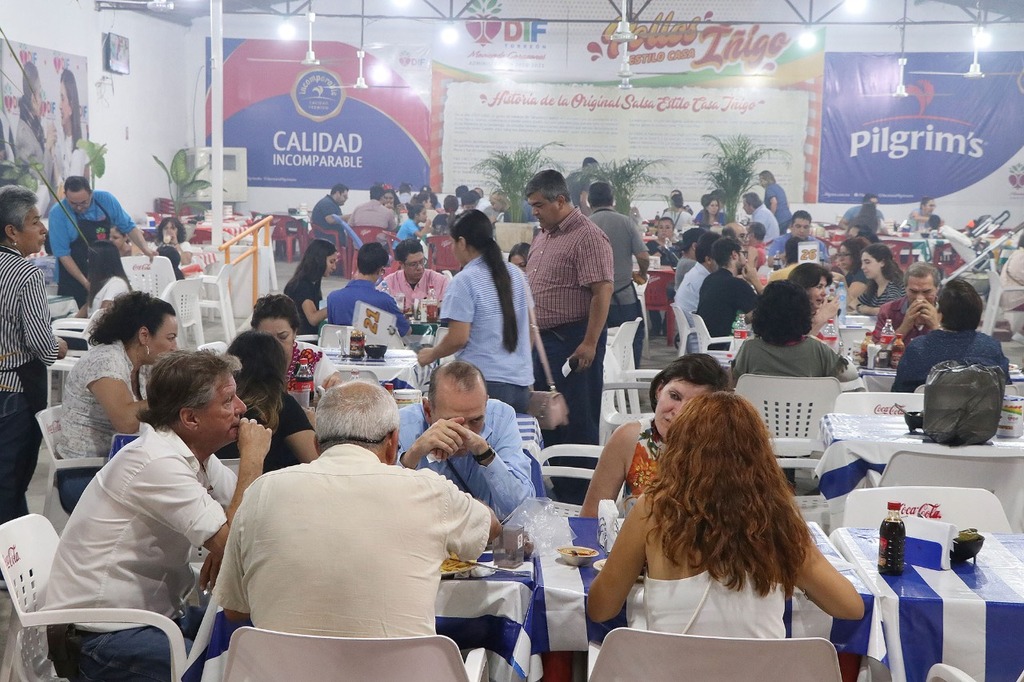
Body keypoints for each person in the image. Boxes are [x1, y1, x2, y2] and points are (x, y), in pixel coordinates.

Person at [43, 351, 272, 682]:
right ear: (190, 418)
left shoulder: (194, 455)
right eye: (228, 400)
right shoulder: (156, 462)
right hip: (102, 635)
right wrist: (252, 460)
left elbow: (250, 525)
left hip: (152, 617)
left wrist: (222, 547)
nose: (241, 407)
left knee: (254, 637)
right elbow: (235, 542)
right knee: (230, 671)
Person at [214, 380, 498, 636]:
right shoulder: (430, 491)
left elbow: (235, 611)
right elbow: (491, 527)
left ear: (316, 444)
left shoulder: (261, 492)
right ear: (393, 443)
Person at [586, 392, 865, 632]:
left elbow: (600, 609)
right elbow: (850, 607)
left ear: (680, 449)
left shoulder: (653, 509)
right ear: (760, 453)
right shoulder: (777, 517)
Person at [56, 292, 177, 507]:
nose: (174, 346)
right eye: (170, 338)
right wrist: (176, 393)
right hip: (85, 473)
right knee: (171, 499)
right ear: (144, 336)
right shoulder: (106, 360)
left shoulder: (142, 365)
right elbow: (127, 422)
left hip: (120, 464)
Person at [525, 169, 614, 447]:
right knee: (546, 415)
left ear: (560, 201)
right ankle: (554, 479)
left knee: (576, 417)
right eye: (532, 206)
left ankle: (578, 488)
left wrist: (589, 342)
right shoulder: (543, 237)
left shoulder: (587, 236)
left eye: (539, 205)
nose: (535, 212)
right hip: (542, 342)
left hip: (573, 341)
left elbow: (602, 291)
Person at [580, 355, 729, 518]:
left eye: (694, 406)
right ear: (659, 390)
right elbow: (591, 517)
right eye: (674, 396)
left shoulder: (720, 450)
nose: (678, 413)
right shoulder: (629, 439)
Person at [417, 212, 534, 413]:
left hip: (482, 385)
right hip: (521, 385)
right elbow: (531, 327)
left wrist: (431, 354)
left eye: (453, 243)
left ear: (462, 242)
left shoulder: (465, 280)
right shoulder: (516, 274)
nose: (453, 250)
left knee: (477, 443)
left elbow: (458, 338)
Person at [0, 186, 67, 526]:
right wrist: (61, 346)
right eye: (35, 221)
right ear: (12, 232)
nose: (43, 229)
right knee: (9, 482)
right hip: (13, 392)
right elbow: (44, 347)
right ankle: (11, 563)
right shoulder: (25, 274)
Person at [398, 361, 534, 518]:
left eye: (476, 420)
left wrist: (485, 453)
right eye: (453, 422)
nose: (465, 433)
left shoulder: (501, 417)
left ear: (485, 404)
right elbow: (385, 504)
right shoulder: (403, 424)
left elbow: (523, 507)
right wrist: (413, 454)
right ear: (428, 410)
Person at [216, 331, 317, 472]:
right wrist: (313, 426)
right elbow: (317, 462)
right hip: (266, 487)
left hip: (216, 488)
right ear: (279, 365)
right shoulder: (280, 405)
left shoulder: (218, 404)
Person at [48, 176, 155, 308]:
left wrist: (145, 249)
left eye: (83, 202)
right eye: (73, 204)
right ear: (65, 196)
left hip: (105, 274)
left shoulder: (105, 200)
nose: (79, 207)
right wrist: (86, 283)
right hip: (74, 278)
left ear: (91, 194)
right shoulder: (58, 213)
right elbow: (63, 254)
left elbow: (128, 226)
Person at [893, 279, 1008, 393]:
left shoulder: (918, 348)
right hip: (982, 411)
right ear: (978, 313)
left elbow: (899, 395)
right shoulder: (991, 347)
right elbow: (1006, 390)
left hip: (928, 410)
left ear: (940, 313)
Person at [732, 281, 855, 382]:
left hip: (759, 411)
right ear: (804, 313)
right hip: (809, 411)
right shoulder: (817, 349)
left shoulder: (750, 348)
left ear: (761, 314)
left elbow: (731, 381)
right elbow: (851, 375)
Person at [589, 181, 649, 366]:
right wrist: (642, 272)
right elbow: (643, 256)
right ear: (612, 200)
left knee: (596, 340)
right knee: (633, 337)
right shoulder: (626, 222)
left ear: (590, 202)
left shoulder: (585, 224)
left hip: (593, 299)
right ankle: (629, 374)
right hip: (623, 298)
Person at [251, 293, 342, 391]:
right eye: (267, 338)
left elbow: (334, 387)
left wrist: (334, 384)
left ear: (295, 332)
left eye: (282, 337)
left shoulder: (313, 356)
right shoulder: (247, 359)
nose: (275, 345)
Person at [326, 242, 410, 336]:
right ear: (380, 270)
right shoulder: (385, 301)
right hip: (375, 350)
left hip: (342, 349)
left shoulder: (333, 298)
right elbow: (406, 332)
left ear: (358, 265)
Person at [695, 237, 761, 345]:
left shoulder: (709, 279)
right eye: (743, 253)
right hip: (726, 343)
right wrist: (754, 280)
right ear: (734, 255)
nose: (745, 258)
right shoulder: (736, 284)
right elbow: (766, 312)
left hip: (708, 341)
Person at [15, 62, 55, 215]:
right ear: (33, 98)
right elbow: (41, 179)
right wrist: (49, 147)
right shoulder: (25, 133)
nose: (42, 100)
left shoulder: (34, 126)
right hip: (35, 212)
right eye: (40, 94)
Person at [872, 262, 941, 345]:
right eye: (913, 291)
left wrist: (935, 327)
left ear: (937, 289)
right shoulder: (887, 311)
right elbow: (877, 351)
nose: (919, 298)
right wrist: (904, 327)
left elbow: (954, 354)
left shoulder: (950, 313)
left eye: (926, 292)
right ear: (905, 289)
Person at [283, 238, 338, 336]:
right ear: (319, 260)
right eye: (331, 262)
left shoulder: (313, 281)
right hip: (303, 340)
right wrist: (337, 305)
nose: (334, 267)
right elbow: (313, 318)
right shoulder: (302, 285)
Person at [381, 238, 448, 312]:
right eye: (413, 264)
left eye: (422, 261)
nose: (420, 267)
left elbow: (450, 306)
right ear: (401, 264)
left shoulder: (440, 281)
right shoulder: (389, 283)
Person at [55, 69, 88, 189]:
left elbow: (68, 194)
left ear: (71, 106)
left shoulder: (78, 151)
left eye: (63, 98)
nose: (59, 106)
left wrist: (53, 158)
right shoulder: (64, 138)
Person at [788, 263, 840, 337]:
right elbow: (799, 345)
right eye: (819, 287)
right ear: (803, 288)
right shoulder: (788, 315)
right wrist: (821, 319)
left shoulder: (814, 313)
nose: (824, 293)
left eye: (825, 287)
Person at [675, 232, 720, 315]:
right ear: (709, 259)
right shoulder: (706, 280)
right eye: (720, 257)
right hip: (696, 325)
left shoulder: (697, 270)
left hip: (688, 324)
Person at [856, 242, 905, 315]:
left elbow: (891, 312)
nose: (862, 267)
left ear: (882, 262)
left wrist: (867, 310)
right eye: (862, 263)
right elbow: (853, 305)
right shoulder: (874, 286)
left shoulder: (894, 287)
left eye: (867, 262)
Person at [85, 240, 130, 315]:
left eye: (91, 259)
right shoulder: (100, 283)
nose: (87, 261)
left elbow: (103, 316)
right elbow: (88, 308)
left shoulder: (117, 284)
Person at [834, 236, 870, 308]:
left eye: (845, 254)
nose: (841, 258)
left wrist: (842, 280)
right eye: (840, 254)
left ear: (856, 255)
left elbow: (849, 304)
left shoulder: (862, 274)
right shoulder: (851, 273)